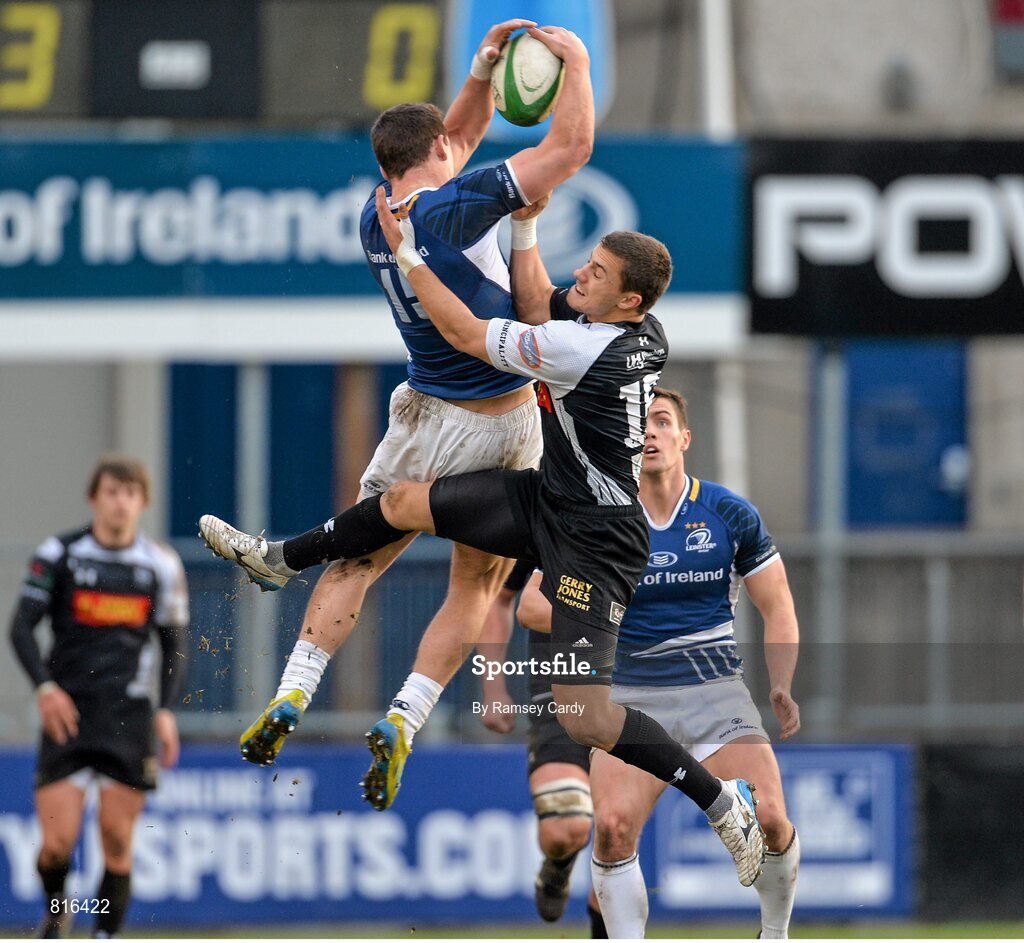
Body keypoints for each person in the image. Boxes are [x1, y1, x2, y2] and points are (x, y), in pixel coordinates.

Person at [201, 189, 767, 887]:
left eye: (595, 274)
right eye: (587, 264)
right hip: (547, 500)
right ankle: (281, 560)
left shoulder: (582, 348)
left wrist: (408, 255)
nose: (579, 278)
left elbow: (471, 333)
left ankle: (719, 800)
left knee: (583, 716)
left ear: (627, 302)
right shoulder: (641, 330)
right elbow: (537, 300)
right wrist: (525, 222)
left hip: (597, 544)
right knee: (404, 501)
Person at [218, 19, 595, 775]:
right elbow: (570, 151)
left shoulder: (376, 215)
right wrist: (577, 65)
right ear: (445, 157)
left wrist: (483, 73)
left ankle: (293, 694)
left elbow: (453, 131)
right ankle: (405, 714)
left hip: (422, 417)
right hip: (503, 422)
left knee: (356, 560)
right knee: (474, 585)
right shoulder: (464, 203)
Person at [515, 388, 801, 938]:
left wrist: (782, 684)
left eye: (663, 422)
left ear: (684, 439)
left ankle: (775, 933)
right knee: (614, 828)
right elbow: (531, 605)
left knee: (769, 822)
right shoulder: (599, 519)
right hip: (629, 699)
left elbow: (778, 603)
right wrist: (596, 603)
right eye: (641, 424)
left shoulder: (726, 513)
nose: (650, 432)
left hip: (716, 693)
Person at [8, 455, 189, 939]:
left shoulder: (161, 564)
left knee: (116, 838)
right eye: (111, 492)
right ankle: (57, 908)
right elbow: (21, 626)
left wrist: (165, 712)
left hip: (128, 717)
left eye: (130, 494)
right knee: (56, 844)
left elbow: (173, 645)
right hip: (66, 715)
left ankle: (105, 934)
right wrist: (45, 689)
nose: (120, 503)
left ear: (143, 503)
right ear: (94, 498)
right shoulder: (59, 553)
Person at [476, 559, 598, 928]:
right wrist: (494, 686)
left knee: (616, 835)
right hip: (561, 696)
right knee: (566, 828)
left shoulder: (666, 525)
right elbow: (503, 599)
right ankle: (559, 863)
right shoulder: (543, 517)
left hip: (639, 695)